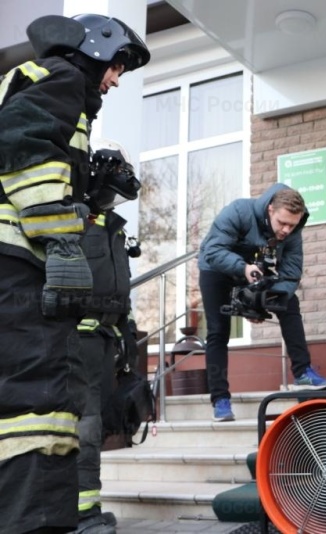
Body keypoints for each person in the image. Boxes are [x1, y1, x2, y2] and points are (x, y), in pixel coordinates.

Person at [0, 14, 148, 534]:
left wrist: (88, 195)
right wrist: (60, 237)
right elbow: (28, 149)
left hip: (13, 262)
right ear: (94, 48)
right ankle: (37, 522)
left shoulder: (36, 81)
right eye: (117, 66)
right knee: (38, 400)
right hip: (17, 264)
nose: (115, 78)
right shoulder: (62, 78)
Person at [198, 184, 326, 422]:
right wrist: (243, 267)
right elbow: (213, 250)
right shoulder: (239, 212)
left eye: (291, 225)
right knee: (218, 331)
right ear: (270, 209)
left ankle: (303, 372)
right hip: (216, 269)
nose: (285, 230)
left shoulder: (292, 232)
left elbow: (291, 274)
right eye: (282, 223)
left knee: (290, 303)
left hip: (254, 271)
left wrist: (259, 302)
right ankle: (220, 400)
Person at [73, 140, 142, 534]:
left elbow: (121, 288)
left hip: (104, 341)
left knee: (94, 427)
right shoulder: (74, 217)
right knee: (85, 426)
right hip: (76, 341)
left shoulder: (112, 227)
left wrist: (125, 339)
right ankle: (82, 515)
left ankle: (89, 508)